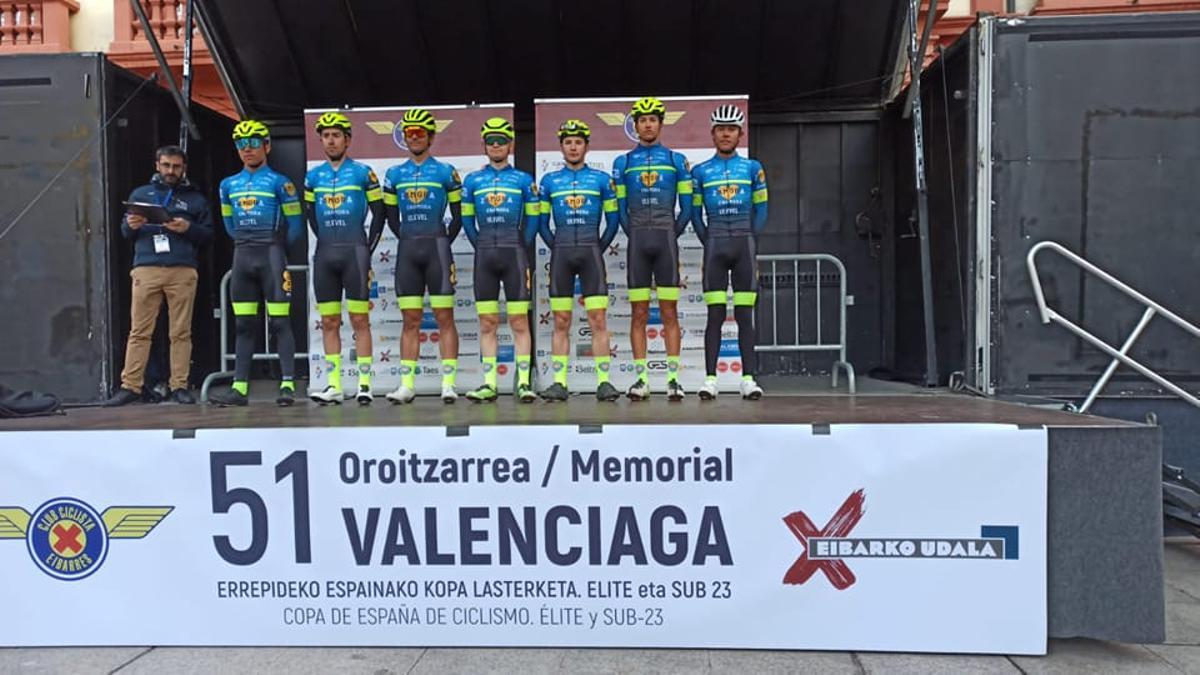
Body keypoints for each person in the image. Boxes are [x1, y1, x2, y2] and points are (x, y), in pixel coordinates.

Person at [104, 145, 213, 406]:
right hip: (147, 267)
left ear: (184, 168)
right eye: (166, 165)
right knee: (139, 331)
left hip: (182, 268)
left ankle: (179, 385)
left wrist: (188, 228)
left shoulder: (196, 199)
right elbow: (125, 232)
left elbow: (208, 235)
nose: (171, 171)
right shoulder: (141, 194)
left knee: (181, 332)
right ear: (157, 165)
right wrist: (131, 225)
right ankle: (131, 386)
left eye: (176, 166)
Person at [208, 120, 304, 407]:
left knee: (279, 322)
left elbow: (296, 225)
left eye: (253, 143)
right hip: (243, 257)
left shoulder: (280, 182)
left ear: (267, 146)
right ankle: (239, 388)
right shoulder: (227, 185)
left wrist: (278, 248)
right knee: (244, 325)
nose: (247, 149)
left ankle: (287, 385)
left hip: (272, 256)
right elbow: (228, 223)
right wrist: (244, 242)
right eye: (241, 144)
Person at [612, 97, 693, 401]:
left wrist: (671, 233)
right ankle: (641, 379)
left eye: (652, 120)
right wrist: (633, 232)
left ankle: (673, 379)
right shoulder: (623, 163)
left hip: (665, 241)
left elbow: (685, 209)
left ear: (660, 123)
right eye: (642, 120)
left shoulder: (676, 160)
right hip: (637, 243)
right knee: (639, 312)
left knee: (670, 311)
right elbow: (620, 210)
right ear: (635, 125)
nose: (647, 124)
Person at [381, 108, 463, 404]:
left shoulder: (445, 172)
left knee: (444, 317)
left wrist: (441, 240)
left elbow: (458, 216)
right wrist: (410, 237)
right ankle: (407, 385)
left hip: (437, 250)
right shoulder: (394, 174)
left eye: (419, 133)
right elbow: (391, 218)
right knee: (410, 320)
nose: (413, 138)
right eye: (408, 133)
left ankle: (449, 384)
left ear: (431, 137)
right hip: (407, 251)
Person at [304, 112, 385, 405]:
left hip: (355, 252)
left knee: (360, 319)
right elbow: (311, 216)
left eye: (336, 135)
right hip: (325, 253)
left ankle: (365, 384)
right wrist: (327, 239)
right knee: (329, 321)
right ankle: (334, 386)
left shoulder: (363, 173)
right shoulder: (313, 177)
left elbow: (379, 213)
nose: (331, 140)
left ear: (347, 140)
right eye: (325, 136)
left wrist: (367, 247)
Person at [536, 119, 621, 402]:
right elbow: (541, 223)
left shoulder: (600, 180)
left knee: (598, 319)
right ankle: (559, 383)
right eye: (568, 142)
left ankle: (604, 382)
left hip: (590, 254)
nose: (573, 147)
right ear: (561, 146)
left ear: (586, 146)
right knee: (561, 321)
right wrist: (557, 246)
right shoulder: (549, 182)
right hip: (561, 254)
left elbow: (613, 221)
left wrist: (597, 247)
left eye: (578, 142)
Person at [460, 117, 540, 403]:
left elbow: (533, 220)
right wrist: (481, 244)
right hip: (485, 256)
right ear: (484, 145)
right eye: (491, 141)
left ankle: (523, 383)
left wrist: (519, 244)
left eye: (501, 141)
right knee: (487, 322)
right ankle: (489, 384)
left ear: (511, 144)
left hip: (514, 254)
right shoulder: (472, 181)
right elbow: (467, 221)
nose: (496, 145)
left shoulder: (523, 180)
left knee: (519, 321)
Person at [691, 105, 768, 400]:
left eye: (731, 129)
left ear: (740, 133)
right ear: (712, 134)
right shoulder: (700, 171)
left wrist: (750, 237)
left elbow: (762, 209)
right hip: (715, 246)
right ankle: (711, 378)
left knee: (745, 315)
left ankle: (748, 378)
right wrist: (708, 240)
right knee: (715, 315)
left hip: (743, 245)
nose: (726, 134)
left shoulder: (752, 168)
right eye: (721, 129)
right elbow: (695, 213)